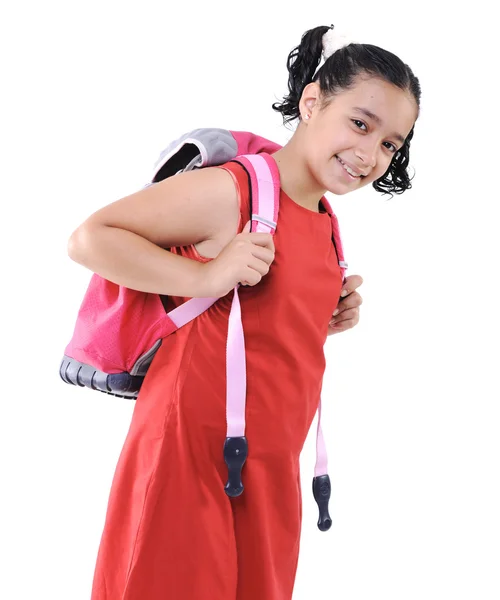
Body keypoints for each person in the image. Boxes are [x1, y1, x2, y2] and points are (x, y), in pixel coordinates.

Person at [68, 24, 421, 600]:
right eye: (361, 123)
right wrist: (201, 276)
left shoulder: (326, 219)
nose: (370, 153)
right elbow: (90, 238)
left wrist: (327, 313)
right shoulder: (235, 190)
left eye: (390, 144)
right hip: (190, 458)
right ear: (312, 102)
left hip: (269, 467)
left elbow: (261, 323)